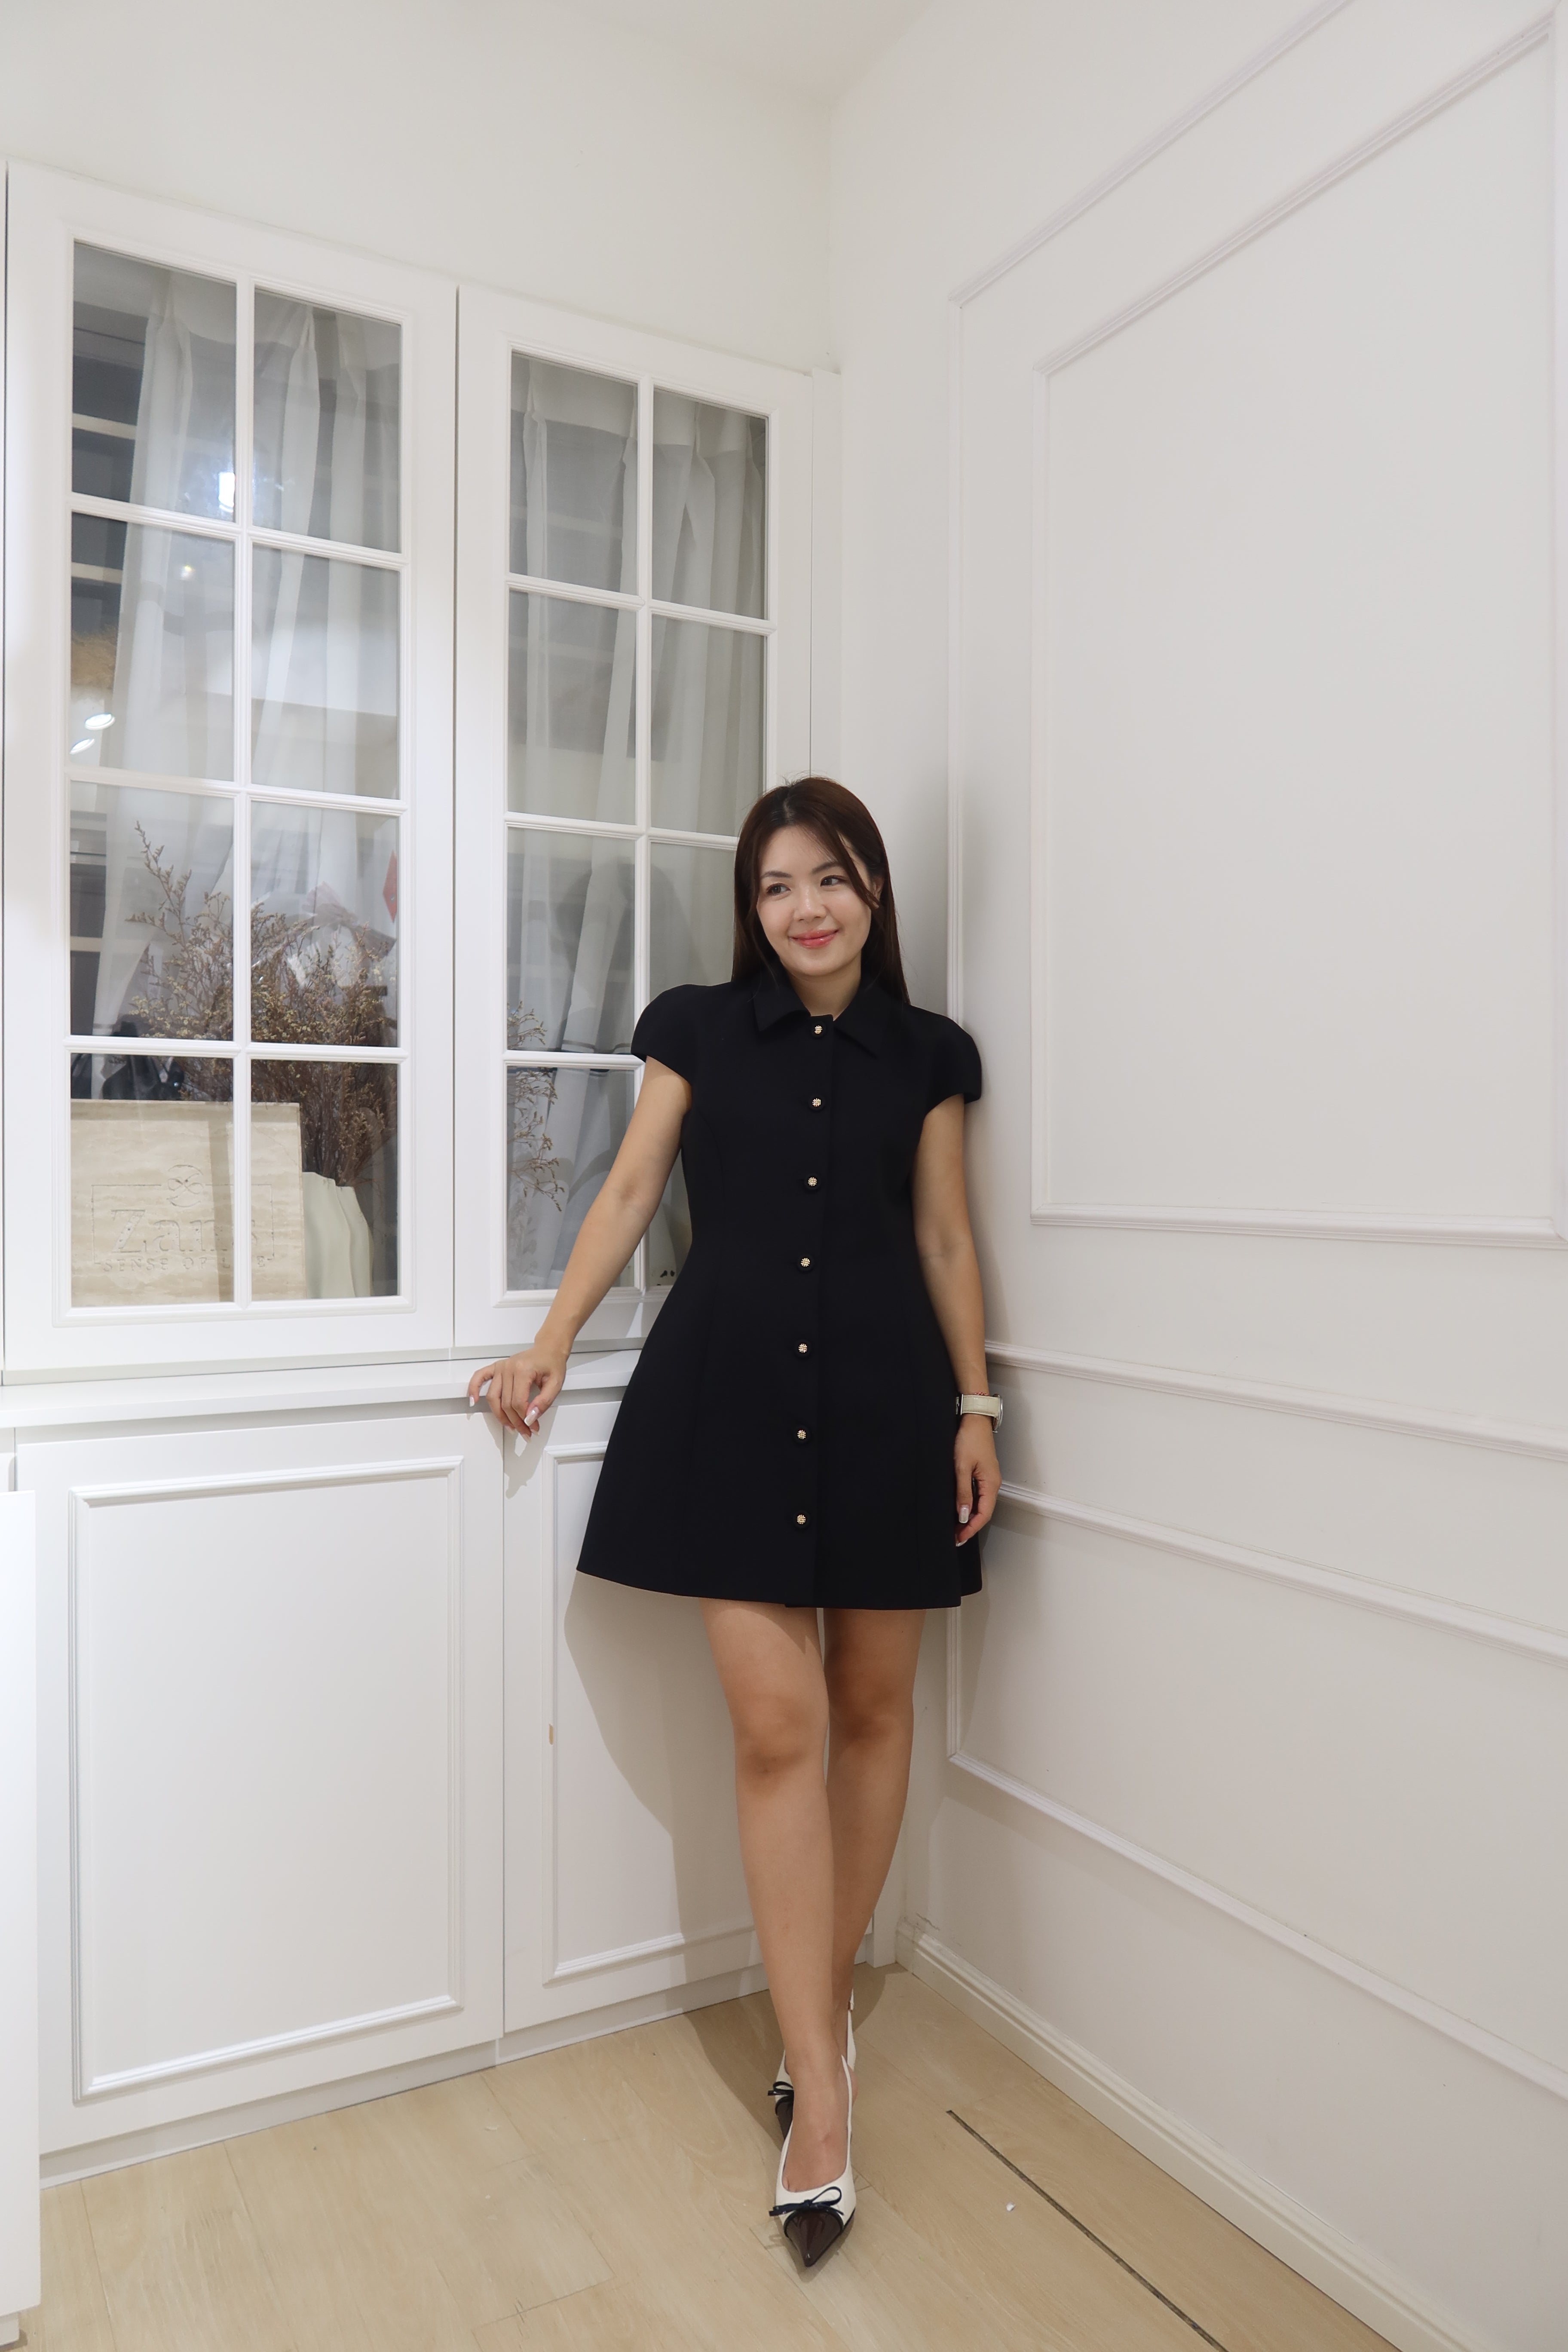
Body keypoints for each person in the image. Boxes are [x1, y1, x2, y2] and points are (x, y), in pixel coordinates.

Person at [469, 777, 1000, 2266]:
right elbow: (632, 1188)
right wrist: (551, 1341)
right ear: (750, 909)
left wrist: (978, 1405)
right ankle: (821, 2093)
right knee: (777, 1733)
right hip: (732, 1399)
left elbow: (944, 1234)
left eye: (830, 878)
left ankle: (814, 2021)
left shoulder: (932, 1055)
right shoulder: (695, 1028)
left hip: (891, 1408)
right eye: (776, 886)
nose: (804, 908)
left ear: (872, 890)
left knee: (875, 1714)